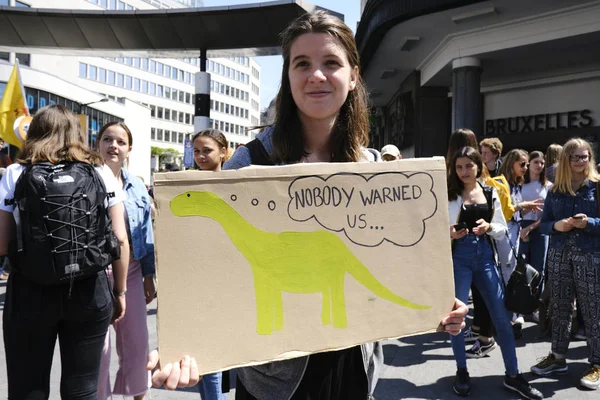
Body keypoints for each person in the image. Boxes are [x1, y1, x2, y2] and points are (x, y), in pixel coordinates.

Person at [146, 10, 468, 399]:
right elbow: (207, 269)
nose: (316, 75)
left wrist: (436, 306)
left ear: (353, 77)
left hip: (354, 371)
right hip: (274, 383)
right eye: (302, 64)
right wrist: (188, 346)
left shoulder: (373, 171)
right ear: (288, 78)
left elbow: (396, 263)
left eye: (331, 62)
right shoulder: (249, 165)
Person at [0, 104, 130, 399]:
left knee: (27, 388)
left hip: (30, 291)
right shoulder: (100, 172)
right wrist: (119, 292)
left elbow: (1, 242)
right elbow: (121, 240)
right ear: (77, 134)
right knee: (82, 389)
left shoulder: (15, 173)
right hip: (89, 290)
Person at [447, 147, 542, 399]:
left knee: (501, 318)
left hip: (486, 259)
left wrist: (489, 226)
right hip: (458, 259)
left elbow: (502, 228)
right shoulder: (448, 194)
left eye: (469, 165)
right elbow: (434, 228)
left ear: (479, 165)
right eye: (459, 167)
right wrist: (450, 232)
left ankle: (513, 374)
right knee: (457, 318)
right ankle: (461, 370)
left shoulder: (490, 191)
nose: (464, 171)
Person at [531, 138, 600, 390]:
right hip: (559, 255)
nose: (581, 162)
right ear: (566, 160)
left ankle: (596, 363)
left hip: (590, 256)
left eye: (585, 157)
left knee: (593, 311)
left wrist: (589, 223)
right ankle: (558, 358)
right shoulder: (555, 190)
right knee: (559, 308)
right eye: (576, 157)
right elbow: (546, 224)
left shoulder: (596, 187)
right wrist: (557, 226)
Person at [97, 122, 156, 400]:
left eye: (120, 141)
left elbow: (145, 234)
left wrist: (148, 276)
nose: (113, 146)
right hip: (95, 273)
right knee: (99, 350)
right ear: (98, 144)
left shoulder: (138, 187)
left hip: (131, 271)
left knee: (137, 345)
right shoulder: (88, 179)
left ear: (129, 149)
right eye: (107, 139)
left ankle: (138, 396)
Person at [191, 128, 230, 400]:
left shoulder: (235, 185)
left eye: (207, 150)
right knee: (204, 351)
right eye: (196, 151)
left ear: (224, 152)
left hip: (229, 277)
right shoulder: (184, 186)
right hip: (197, 278)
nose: (201, 156)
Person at [519, 151, 552, 302]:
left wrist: (531, 228)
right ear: (528, 164)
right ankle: (521, 303)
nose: (539, 165)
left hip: (540, 227)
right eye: (536, 162)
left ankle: (537, 304)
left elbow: (548, 213)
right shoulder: (520, 184)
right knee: (521, 267)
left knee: (539, 268)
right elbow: (515, 210)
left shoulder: (548, 186)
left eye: (542, 163)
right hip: (521, 227)